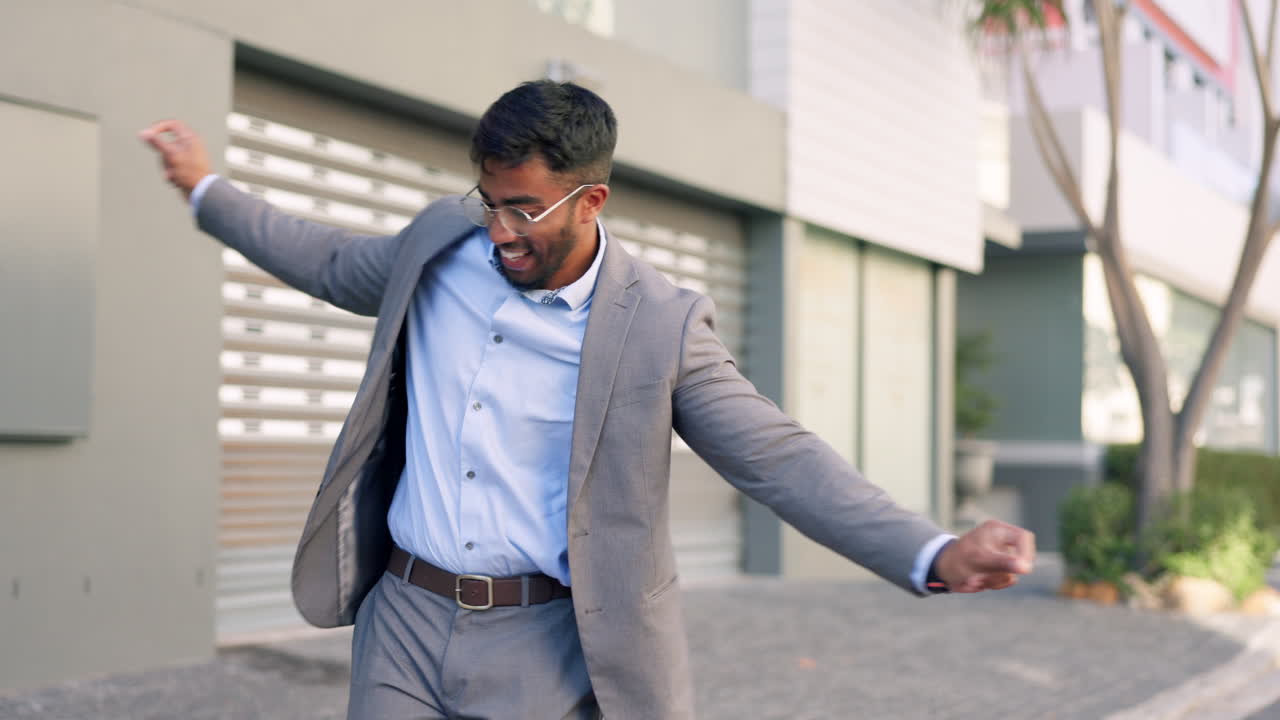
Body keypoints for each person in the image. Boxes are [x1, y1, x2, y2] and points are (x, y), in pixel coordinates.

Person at [140, 80, 1035, 720]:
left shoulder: (661, 325)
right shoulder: (440, 245)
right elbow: (329, 259)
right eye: (487, 201)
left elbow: (777, 457)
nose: (498, 231)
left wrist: (933, 549)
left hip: (544, 642)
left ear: (590, 199)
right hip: (403, 619)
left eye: (522, 210)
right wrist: (205, 190)